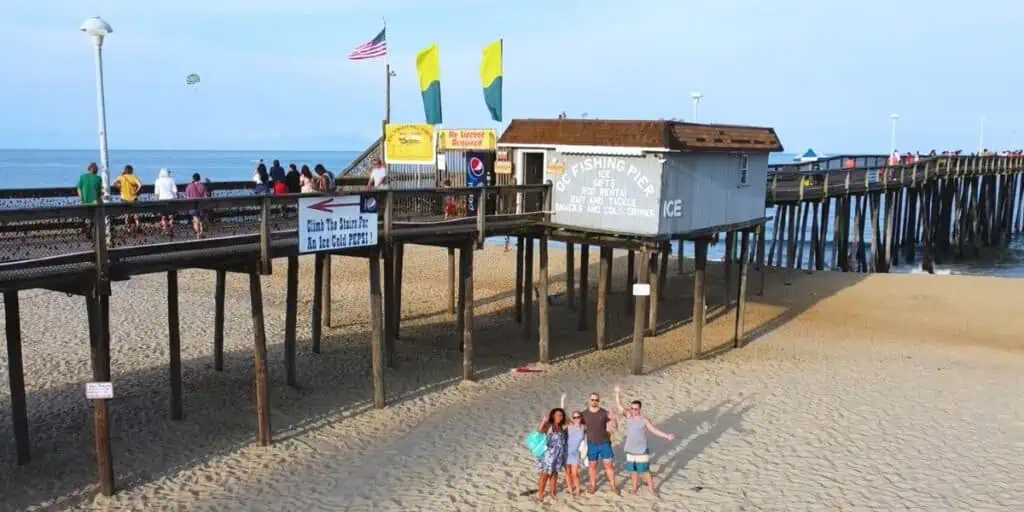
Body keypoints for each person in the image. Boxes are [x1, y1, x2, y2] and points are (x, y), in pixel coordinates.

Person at [614, 385, 676, 496]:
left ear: (640, 409)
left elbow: (654, 430)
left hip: (641, 449)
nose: (633, 410)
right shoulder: (628, 416)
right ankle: (634, 487)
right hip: (630, 448)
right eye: (632, 408)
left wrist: (666, 435)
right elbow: (620, 406)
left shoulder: (644, 420)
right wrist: (617, 393)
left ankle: (651, 488)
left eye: (635, 409)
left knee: (645, 470)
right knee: (633, 470)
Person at [582, 392, 618, 495]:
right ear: (589, 400)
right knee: (592, 466)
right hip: (591, 443)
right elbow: (578, 427)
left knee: (608, 465)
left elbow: (614, 428)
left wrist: (613, 419)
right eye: (592, 399)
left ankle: (613, 485)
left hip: (605, 443)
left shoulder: (604, 413)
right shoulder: (583, 414)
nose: (594, 401)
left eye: (596, 400)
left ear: (599, 401)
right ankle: (593, 485)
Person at [534, 407, 568, 502]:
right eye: (558, 415)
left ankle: (552, 492)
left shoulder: (560, 426)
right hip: (548, 456)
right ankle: (540, 493)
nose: (560, 417)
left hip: (558, 455)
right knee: (545, 475)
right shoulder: (549, 425)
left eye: (561, 415)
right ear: (553, 416)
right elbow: (539, 431)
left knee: (554, 474)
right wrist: (544, 420)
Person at [561, 394, 587, 497]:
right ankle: (570, 489)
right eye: (574, 417)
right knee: (567, 473)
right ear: (572, 418)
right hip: (566, 452)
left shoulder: (584, 427)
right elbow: (562, 413)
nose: (576, 418)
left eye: (578, 417)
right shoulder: (570, 425)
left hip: (575, 454)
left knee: (574, 474)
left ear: (581, 417)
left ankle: (578, 490)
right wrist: (562, 401)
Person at [112, 165, 142, 233]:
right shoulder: (133, 176)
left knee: (127, 214)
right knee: (136, 214)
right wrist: (136, 191)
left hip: (124, 198)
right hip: (133, 198)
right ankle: (138, 226)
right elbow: (140, 185)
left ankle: (127, 229)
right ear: (131, 170)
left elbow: (114, 184)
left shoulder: (121, 177)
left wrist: (119, 187)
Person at [153, 168, 178, 235]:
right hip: (171, 200)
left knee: (163, 217)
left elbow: (156, 193)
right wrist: (176, 200)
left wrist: (156, 202)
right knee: (171, 216)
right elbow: (175, 192)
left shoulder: (157, 181)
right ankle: (171, 229)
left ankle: (165, 230)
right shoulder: (171, 180)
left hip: (162, 201)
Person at [184, 173, 209, 238]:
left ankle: (198, 234)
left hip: (192, 205)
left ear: (193, 179)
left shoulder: (189, 186)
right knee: (201, 220)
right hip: (201, 205)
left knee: (195, 220)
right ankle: (202, 232)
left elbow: (186, 197)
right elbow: (206, 196)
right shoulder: (202, 186)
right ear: (199, 178)